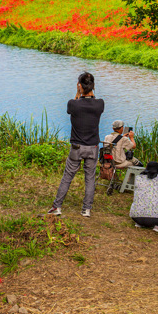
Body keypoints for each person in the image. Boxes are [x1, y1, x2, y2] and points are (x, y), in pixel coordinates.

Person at [48, 72, 104, 218]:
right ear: (93, 86)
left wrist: (78, 92)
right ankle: (86, 209)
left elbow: (72, 107)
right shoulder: (100, 104)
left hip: (76, 147)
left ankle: (57, 207)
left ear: (79, 85)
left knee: (67, 176)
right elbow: (92, 99)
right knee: (90, 178)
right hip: (93, 147)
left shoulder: (73, 104)